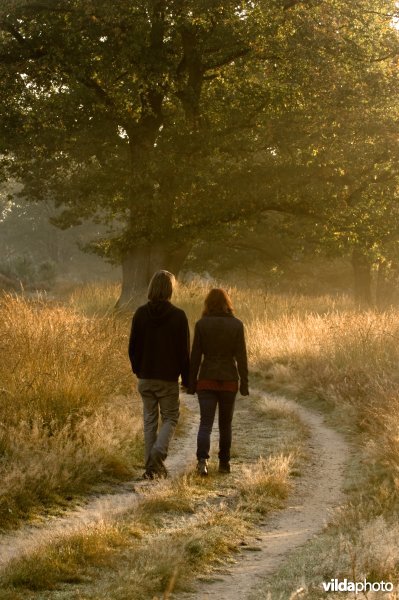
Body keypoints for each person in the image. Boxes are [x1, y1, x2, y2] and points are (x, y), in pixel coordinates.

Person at [128, 270, 190, 479]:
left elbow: (133, 347)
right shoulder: (178, 316)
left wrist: (138, 369)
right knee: (171, 417)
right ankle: (157, 455)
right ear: (170, 289)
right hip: (167, 379)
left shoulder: (140, 313)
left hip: (145, 377)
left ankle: (150, 469)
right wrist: (188, 379)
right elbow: (184, 352)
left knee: (150, 422)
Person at [187, 288, 249, 476]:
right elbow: (241, 357)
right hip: (229, 379)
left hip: (206, 379)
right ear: (227, 304)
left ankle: (202, 462)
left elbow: (196, 356)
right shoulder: (237, 325)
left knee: (205, 423)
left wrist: (191, 383)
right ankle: (224, 463)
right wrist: (244, 383)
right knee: (225, 425)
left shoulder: (201, 325)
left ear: (208, 304)